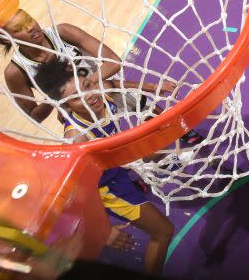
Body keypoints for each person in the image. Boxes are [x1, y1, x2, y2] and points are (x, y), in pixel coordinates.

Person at [33, 58, 175, 275]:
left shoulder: (102, 93)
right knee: (163, 232)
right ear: (65, 106)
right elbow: (72, 194)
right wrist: (101, 228)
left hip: (113, 166)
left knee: (156, 149)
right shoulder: (76, 139)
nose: (88, 96)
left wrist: (152, 87)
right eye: (76, 97)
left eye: (87, 86)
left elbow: (116, 84)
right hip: (106, 189)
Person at [0, 9, 205, 146]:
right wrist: (56, 98)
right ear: (9, 38)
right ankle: (129, 176)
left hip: (105, 87)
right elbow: (34, 115)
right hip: (77, 107)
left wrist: (87, 84)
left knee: (143, 106)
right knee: (108, 144)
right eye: (19, 28)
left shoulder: (62, 32)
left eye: (29, 20)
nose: (31, 27)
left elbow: (113, 62)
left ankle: (178, 129)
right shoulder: (16, 71)